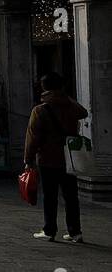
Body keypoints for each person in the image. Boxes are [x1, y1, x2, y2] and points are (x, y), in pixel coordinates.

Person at [25, 72, 88, 243]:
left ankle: (49, 230)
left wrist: (28, 159)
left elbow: (33, 137)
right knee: (71, 196)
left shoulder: (40, 110)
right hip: (70, 158)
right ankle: (75, 232)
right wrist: (65, 97)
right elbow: (83, 112)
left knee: (50, 196)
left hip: (48, 158)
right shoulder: (70, 107)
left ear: (44, 88)